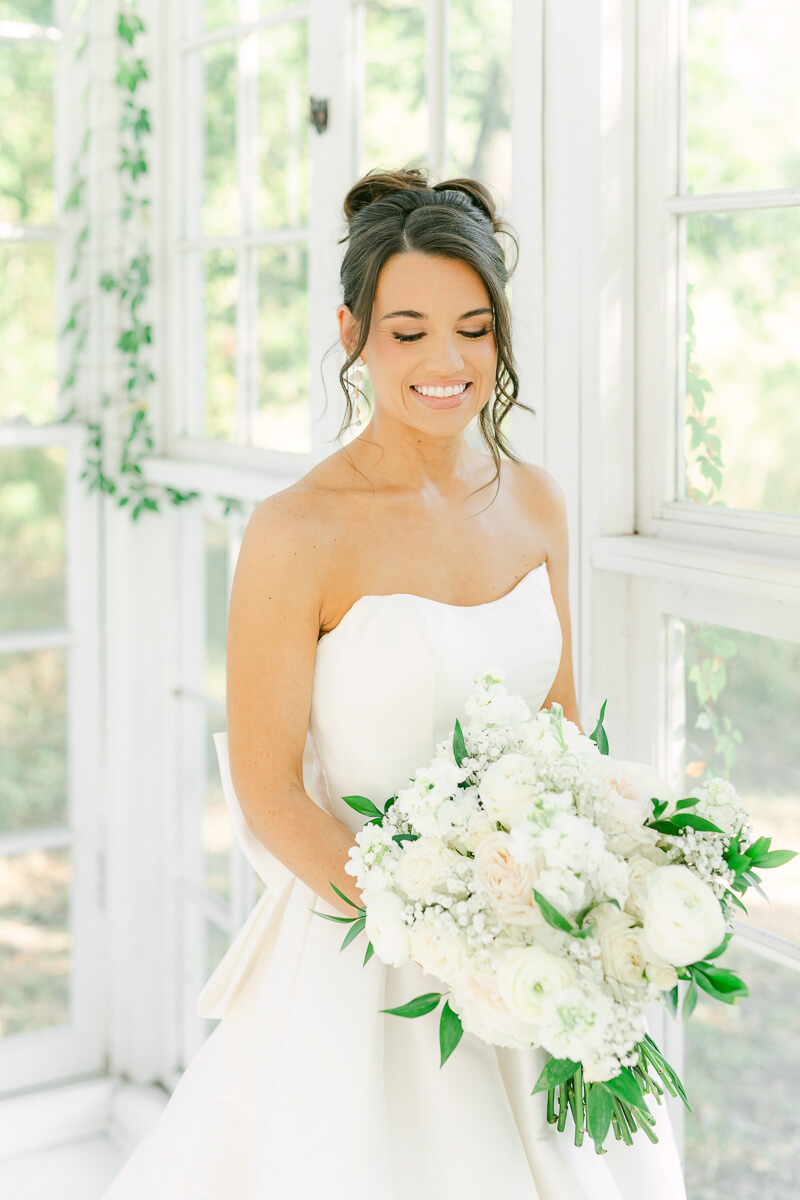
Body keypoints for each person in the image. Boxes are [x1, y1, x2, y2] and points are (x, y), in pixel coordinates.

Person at [102, 166, 687, 1198]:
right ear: (351, 334)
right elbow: (272, 792)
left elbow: (557, 735)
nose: (446, 361)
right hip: (368, 962)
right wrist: (441, 937)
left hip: (535, 952)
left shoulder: (537, 502)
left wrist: (587, 907)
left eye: (473, 327)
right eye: (407, 331)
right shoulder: (296, 531)